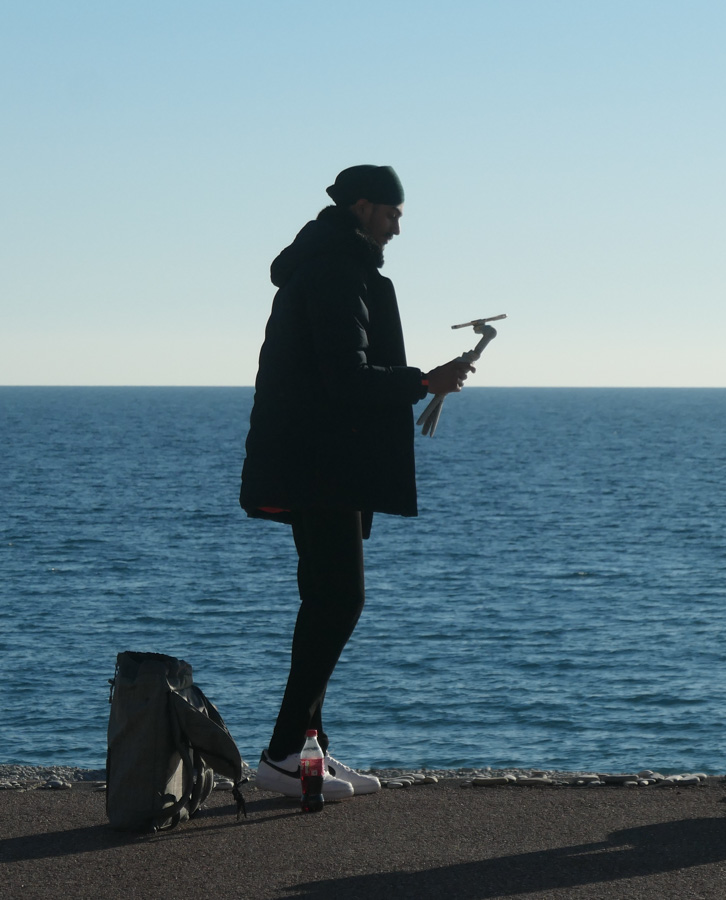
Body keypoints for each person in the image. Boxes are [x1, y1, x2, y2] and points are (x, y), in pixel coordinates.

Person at [240, 165, 472, 800]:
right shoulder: (337, 271)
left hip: (315, 461)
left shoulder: (328, 264)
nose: (397, 227)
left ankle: (308, 751)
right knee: (339, 601)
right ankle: (283, 753)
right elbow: (345, 377)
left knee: (325, 600)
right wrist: (423, 382)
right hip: (322, 466)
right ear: (364, 207)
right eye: (392, 214)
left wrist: (422, 382)